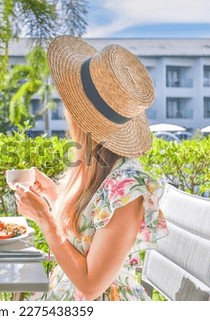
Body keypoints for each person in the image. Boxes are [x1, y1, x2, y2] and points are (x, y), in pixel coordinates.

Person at [14, 36, 168, 301]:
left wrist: (45, 220)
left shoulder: (128, 189)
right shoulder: (99, 165)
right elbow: (90, 228)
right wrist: (53, 194)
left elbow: (91, 285)